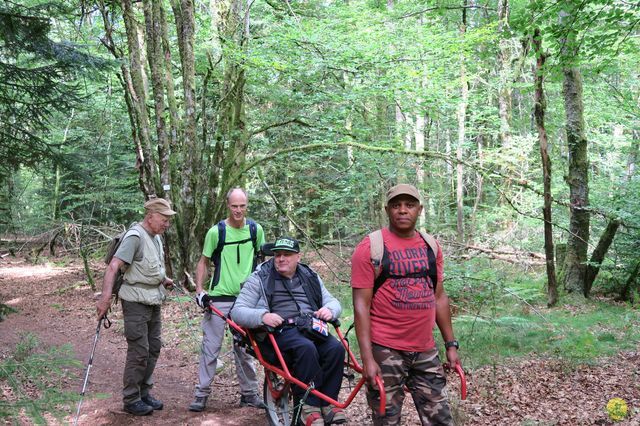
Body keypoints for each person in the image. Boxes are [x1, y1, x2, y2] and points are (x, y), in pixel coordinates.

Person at [351, 184, 461, 426]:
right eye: (396, 205)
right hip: (385, 348)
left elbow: (439, 297)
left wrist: (450, 345)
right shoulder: (370, 247)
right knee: (387, 420)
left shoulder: (431, 246)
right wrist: (367, 358)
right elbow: (360, 305)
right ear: (387, 210)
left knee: (441, 418)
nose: (403, 211)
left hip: (424, 349)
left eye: (409, 205)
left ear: (419, 210)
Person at [230, 237, 348, 426]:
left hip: (311, 326)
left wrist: (330, 310)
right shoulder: (260, 277)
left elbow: (332, 301)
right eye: (278, 255)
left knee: (336, 349)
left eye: (287, 255)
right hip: (280, 330)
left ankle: (328, 403)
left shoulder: (309, 275)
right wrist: (262, 316)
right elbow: (237, 311)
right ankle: (308, 408)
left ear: (298, 257)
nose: (281, 259)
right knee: (306, 348)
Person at [188, 187, 266, 412]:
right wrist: (200, 290)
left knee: (245, 348)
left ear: (247, 205)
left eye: (242, 206)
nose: (238, 210)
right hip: (218, 298)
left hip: (246, 299)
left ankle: (249, 394)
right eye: (234, 206)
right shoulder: (216, 232)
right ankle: (201, 393)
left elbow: (262, 260)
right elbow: (203, 262)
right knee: (211, 347)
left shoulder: (255, 230)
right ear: (228, 205)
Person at [96, 197, 176, 416]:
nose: (167, 224)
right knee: (139, 350)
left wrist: (163, 279)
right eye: (164, 219)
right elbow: (114, 267)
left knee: (154, 347)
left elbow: (149, 266)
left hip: (153, 299)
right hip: (134, 301)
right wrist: (104, 298)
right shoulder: (135, 236)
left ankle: (143, 393)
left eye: (169, 220)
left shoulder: (156, 237)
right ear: (150, 216)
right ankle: (131, 398)